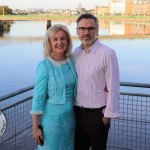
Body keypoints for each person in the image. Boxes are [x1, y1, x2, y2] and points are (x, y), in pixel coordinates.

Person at [73, 13, 120, 150]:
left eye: (90, 28)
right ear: (77, 31)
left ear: (97, 30)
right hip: (77, 114)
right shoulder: (76, 53)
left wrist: (107, 116)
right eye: (82, 29)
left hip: (97, 116)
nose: (86, 32)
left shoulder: (107, 53)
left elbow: (113, 87)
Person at [31, 24, 77, 150]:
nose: (59, 42)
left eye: (63, 38)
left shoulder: (71, 62)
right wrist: (35, 127)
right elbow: (38, 97)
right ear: (49, 42)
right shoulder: (44, 66)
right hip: (51, 122)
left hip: (70, 120)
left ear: (68, 41)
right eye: (55, 39)